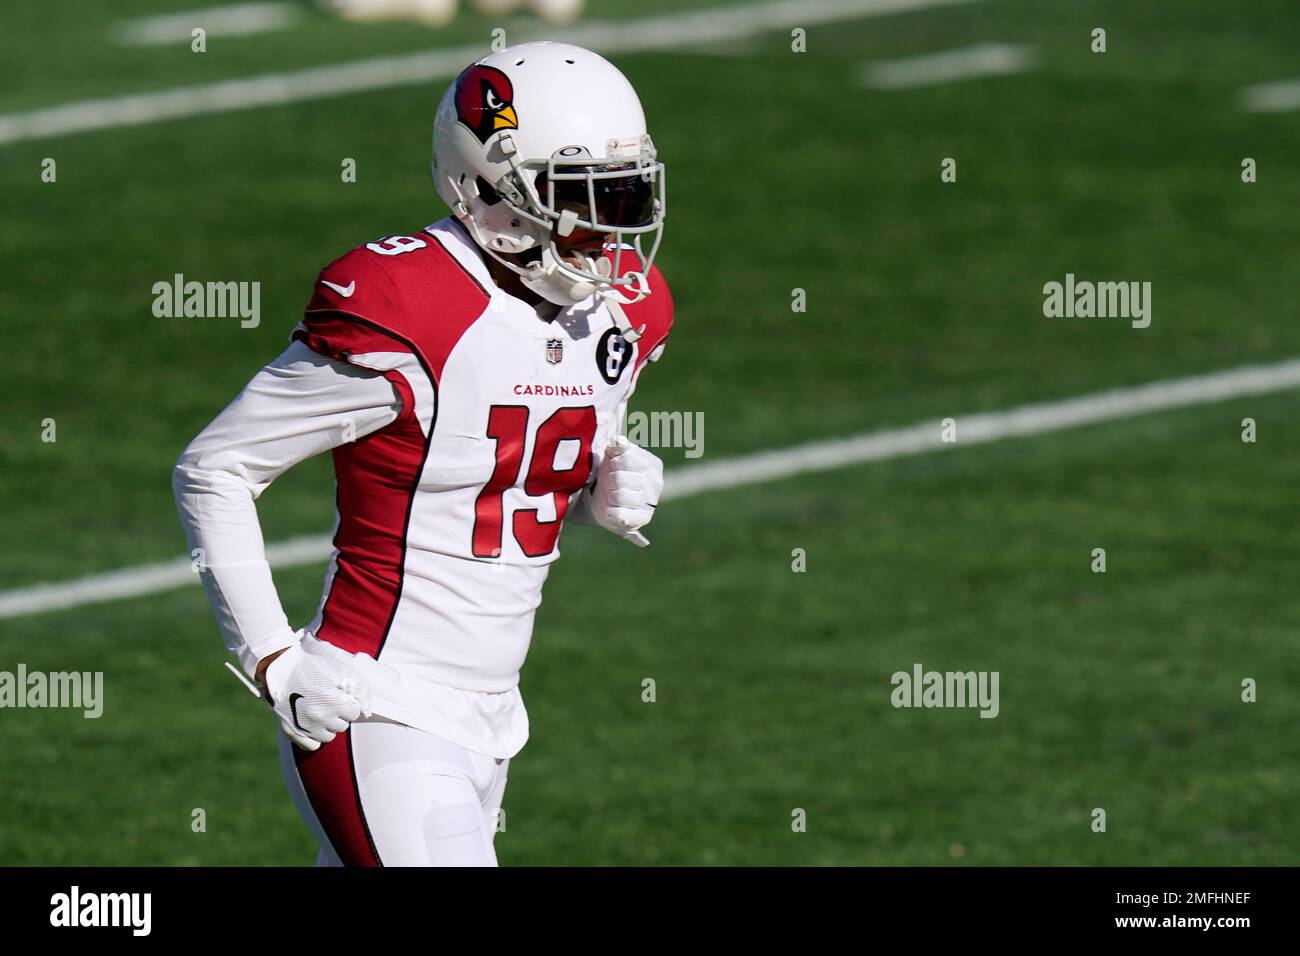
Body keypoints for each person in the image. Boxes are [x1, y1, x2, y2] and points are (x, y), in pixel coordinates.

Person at [173, 41, 670, 866]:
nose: (607, 233)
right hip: (373, 704)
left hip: (492, 714)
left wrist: (598, 481)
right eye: (580, 200)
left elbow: (498, 475)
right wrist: (270, 658)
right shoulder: (409, 305)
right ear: (487, 187)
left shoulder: (622, 310)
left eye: (623, 196)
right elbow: (216, 468)